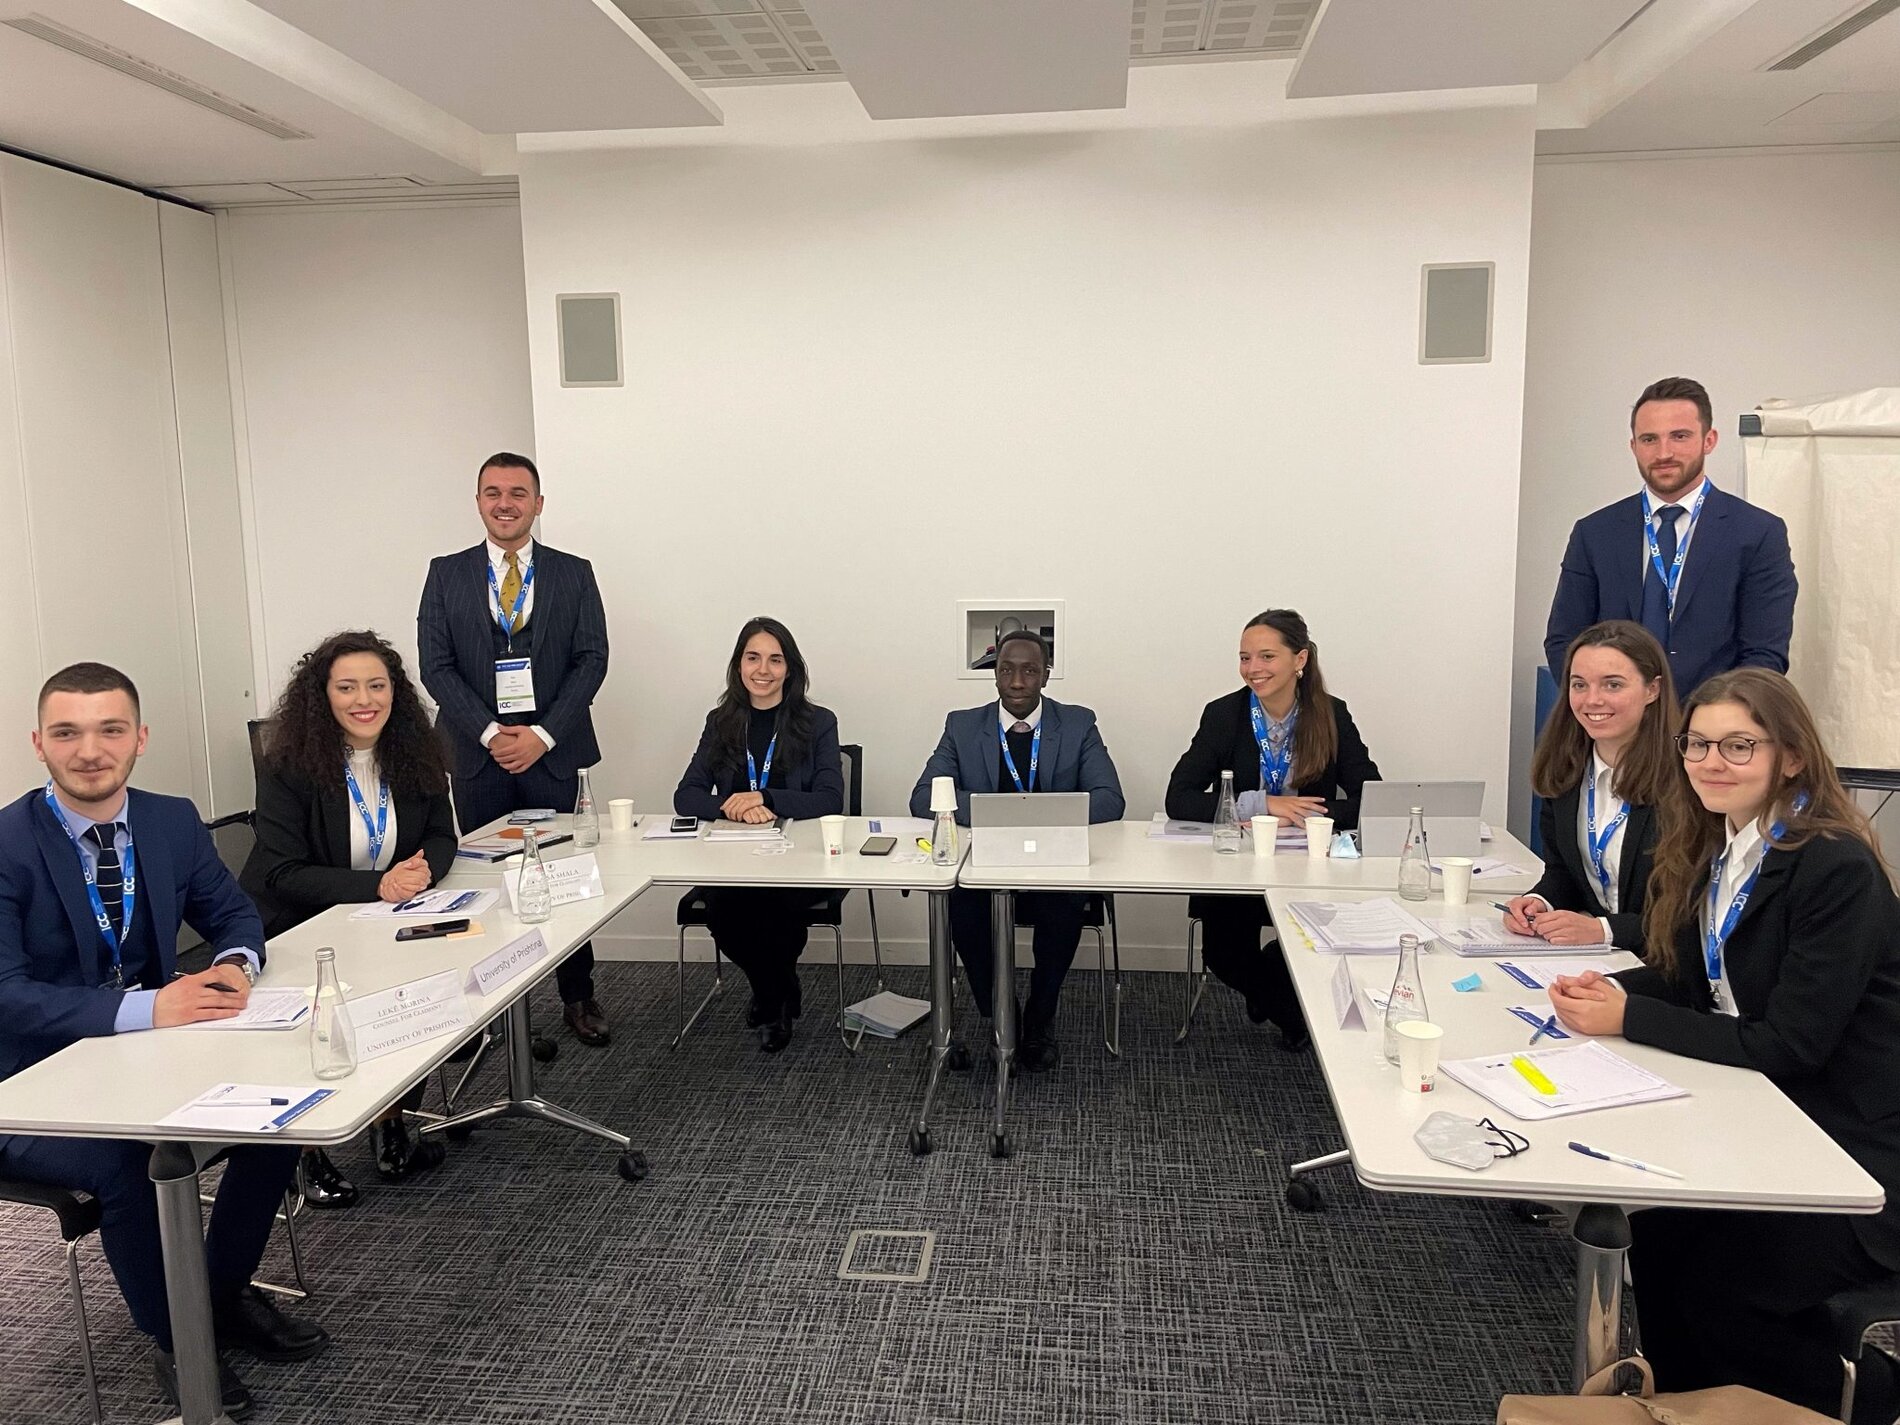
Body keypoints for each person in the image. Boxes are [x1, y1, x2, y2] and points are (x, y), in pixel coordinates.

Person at [1546, 669, 1900, 1419]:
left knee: (1719, 1286)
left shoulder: (1834, 864)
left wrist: (1628, 1019)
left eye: (1739, 745)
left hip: (1853, 1152)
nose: (1712, 761)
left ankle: (1847, 1403)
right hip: (1773, 1113)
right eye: (1698, 744)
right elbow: (1695, 979)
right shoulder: (1719, 842)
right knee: (1660, 1240)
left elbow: (1790, 1044)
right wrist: (1603, 990)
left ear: (1791, 756)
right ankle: (1688, 1404)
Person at [0, 664, 328, 1419]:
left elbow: (236, 915)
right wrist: (147, 1007)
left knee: (279, 1121)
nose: (90, 750)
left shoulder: (170, 820)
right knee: (128, 1165)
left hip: (139, 1058)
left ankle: (217, 1297)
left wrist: (235, 966)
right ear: (38, 744)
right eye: (67, 732)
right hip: (24, 1081)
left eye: (110, 729)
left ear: (139, 738)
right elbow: (6, 994)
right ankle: (180, 1341)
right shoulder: (7, 843)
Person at [241, 630, 459, 1202]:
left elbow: (442, 834)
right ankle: (303, 1153)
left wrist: (422, 873)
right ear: (323, 695)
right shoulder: (289, 766)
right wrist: (378, 885)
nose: (365, 700)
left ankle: (391, 1123)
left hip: (380, 918)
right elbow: (282, 871)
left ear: (395, 692)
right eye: (347, 687)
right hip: (296, 923)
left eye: (376, 685)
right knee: (319, 1026)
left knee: (415, 998)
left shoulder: (416, 753)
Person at [419, 452, 612, 1046]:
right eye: (493, 493)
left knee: (563, 877)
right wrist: (490, 733)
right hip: (478, 757)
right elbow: (436, 666)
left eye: (518, 493)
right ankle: (503, 1011)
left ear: (538, 503)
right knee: (487, 882)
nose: (505, 504)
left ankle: (578, 996)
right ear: (479, 502)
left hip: (553, 752)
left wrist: (541, 736)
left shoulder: (573, 573)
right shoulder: (445, 573)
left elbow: (592, 659)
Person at [908, 629, 1125, 1070]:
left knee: (1063, 907)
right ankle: (999, 1013)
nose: (1017, 681)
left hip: (1054, 865)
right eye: (1006, 670)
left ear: (1046, 675)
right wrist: (999, 812)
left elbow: (1110, 799)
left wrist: (1033, 813)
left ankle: (1040, 1017)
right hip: (984, 864)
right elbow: (924, 796)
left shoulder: (1077, 723)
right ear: (995, 675)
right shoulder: (962, 726)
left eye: (1029, 670)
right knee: (960, 905)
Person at [1164, 609, 1380, 1048]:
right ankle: (1291, 1013)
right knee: (1223, 955)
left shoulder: (1331, 714)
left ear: (1300, 659)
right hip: (1237, 868)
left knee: (1306, 947)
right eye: (1245, 658)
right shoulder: (1224, 715)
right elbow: (1179, 798)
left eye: (1266, 656)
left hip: (1311, 868)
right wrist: (1263, 805)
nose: (1253, 669)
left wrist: (1307, 813)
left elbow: (1372, 799)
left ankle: (1279, 1001)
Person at [1545, 376, 1796, 701]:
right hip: (1614, 720)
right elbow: (1564, 641)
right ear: (1633, 446)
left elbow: (1764, 655)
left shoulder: (1757, 533)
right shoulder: (1595, 533)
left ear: (1709, 440)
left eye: (1679, 436)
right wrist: (1600, 706)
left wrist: (1712, 721)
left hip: (1709, 723)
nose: (1664, 453)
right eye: (1649, 439)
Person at [674, 618, 844, 1052]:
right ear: (739, 665)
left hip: (799, 858)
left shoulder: (818, 722)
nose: (763, 670)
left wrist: (766, 796)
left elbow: (830, 798)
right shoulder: (720, 722)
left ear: (790, 669)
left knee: (776, 908)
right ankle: (778, 992)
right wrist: (730, 806)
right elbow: (685, 795)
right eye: (753, 658)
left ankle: (771, 1002)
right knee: (724, 912)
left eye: (775, 659)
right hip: (732, 858)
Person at [1500, 621, 1676, 951]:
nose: (1592, 700)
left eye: (1613, 685)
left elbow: (1691, 914)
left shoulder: (1688, 780)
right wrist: (1541, 901)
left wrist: (1603, 930)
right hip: (1600, 957)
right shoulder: (1565, 768)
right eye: (1579, 684)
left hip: (1663, 962)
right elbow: (1565, 873)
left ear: (1653, 690)